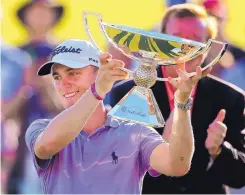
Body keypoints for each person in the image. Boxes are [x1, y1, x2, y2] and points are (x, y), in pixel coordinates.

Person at [25, 39, 210, 194]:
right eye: (56, 77)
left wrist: (182, 103)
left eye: (73, 73)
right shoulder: (41, 128)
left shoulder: (134, 132)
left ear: (97, 73)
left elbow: (177, 164)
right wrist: (96, 91)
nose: (63, 84)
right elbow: (48, 145)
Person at [108, 3, 245, 194]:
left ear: (208, 46)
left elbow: (239, 177)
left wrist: (219, 149)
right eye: (176, 39)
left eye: (195, 40)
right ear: (159, 39)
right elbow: (115, 165)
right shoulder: (128, 92)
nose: (185, 47)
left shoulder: (230, 99)